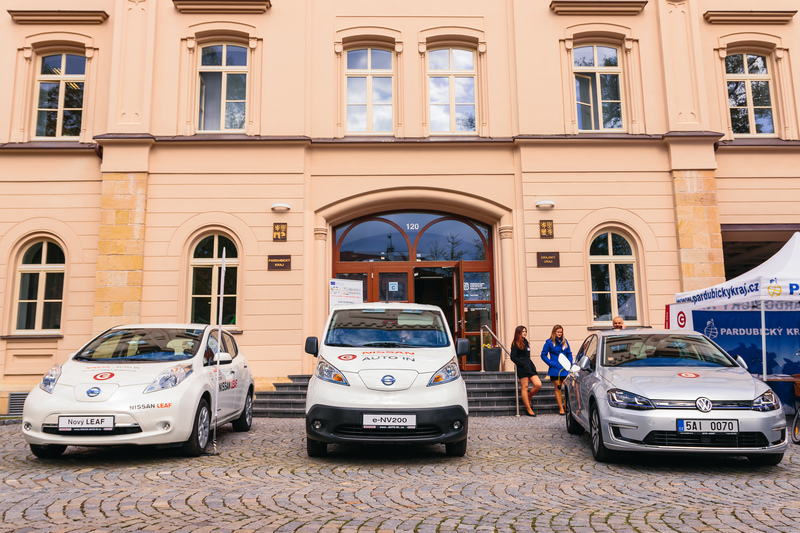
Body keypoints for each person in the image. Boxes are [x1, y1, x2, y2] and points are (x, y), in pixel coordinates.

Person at [509, 326, 542, 417]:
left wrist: (529, 365)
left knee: (538, 384)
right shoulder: (515, 343)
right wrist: (521, 363)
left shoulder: (526, 342)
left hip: (529, 367)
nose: (524, 333)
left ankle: (528, 398)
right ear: (518, 332)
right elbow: (513, 357)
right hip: (522, 368)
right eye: (523, 331)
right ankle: (528, 408)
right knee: (525, 387)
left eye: (525, 331)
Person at [541, 324, 572, 415]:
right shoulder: (549, 342)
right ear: (554, 332)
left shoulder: (565, 341)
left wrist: (569, 362)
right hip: (555, 369)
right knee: (557, 388)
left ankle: (566, 405)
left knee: (567, 387)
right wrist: (550, 363)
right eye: (558, 332)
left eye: (561, 332)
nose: (559, 334)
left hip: (565, 368)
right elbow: (543, 355)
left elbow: (569, 353)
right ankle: (561, 408)